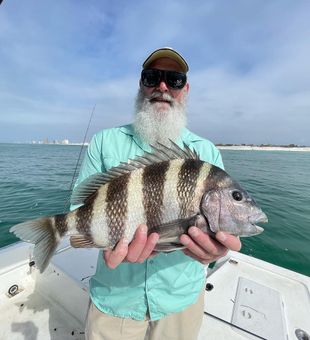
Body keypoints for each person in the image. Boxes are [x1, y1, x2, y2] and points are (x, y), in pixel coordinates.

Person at [73, 47, 241, 340]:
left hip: (180, 300)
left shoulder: (206, 152)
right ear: (141, 84)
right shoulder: (104, 141)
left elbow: (215, 232)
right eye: (152, 77)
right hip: (115, 297)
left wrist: (212, 253)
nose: (162, 87)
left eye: (174, 80)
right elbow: (79, 208)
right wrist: (103, 243)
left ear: (185, 89)